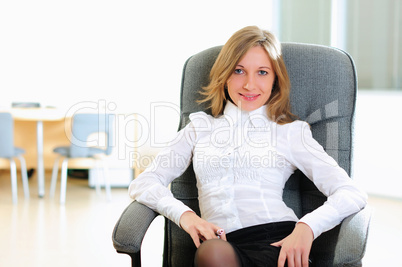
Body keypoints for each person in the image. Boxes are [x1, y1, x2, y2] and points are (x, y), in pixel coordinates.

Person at [128, 26, 367, 267]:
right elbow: (144, 182)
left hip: (278, 244)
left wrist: (307, 227)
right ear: (225, 74)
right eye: (239, 71)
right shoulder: (198, 129)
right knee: (211, 253)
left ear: (275, 79)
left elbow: (351, 193)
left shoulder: (290, 132)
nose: (250, 85)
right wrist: (186, 217)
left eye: (262, 72)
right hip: (221, 248)